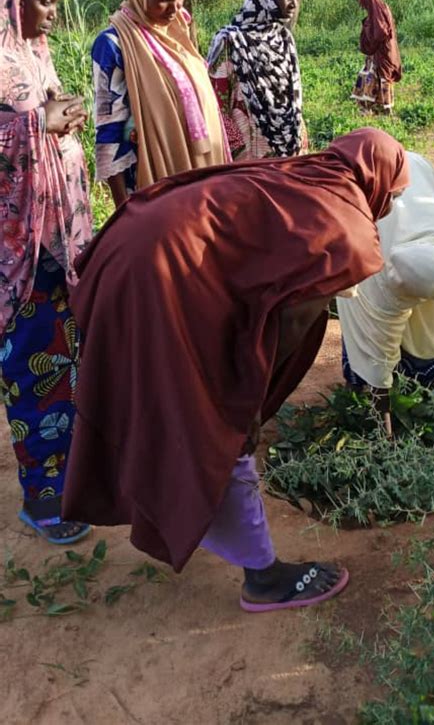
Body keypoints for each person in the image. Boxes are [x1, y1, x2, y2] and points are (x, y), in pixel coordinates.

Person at [63, 127, 409, 612]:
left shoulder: (312, 173)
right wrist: (244, 405)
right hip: (160, 272)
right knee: (213, 414)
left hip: (131, 242)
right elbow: (283, 327)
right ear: (379, 180)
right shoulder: (348, 229)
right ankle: (263, 578)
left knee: (154, 390)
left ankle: (183, 506)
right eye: (393, 196)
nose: (391, 207)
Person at [0, 0, 93, 544]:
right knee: (34, 373)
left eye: (57, 1)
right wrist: (40, 125)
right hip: (20, 255)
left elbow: (45, 117)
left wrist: (63, 115)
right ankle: (42, 500)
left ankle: (72, 481)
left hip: (59, 242)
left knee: (68, 365)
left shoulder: (36, 54)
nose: (51, 12)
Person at [92, 0, 230, 207]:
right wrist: (124, 210)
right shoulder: (115, 44)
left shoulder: (178, 32)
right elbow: (109, 129)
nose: (176, 8)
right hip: (148, 189)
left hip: (198, 176)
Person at [337, 152, 434, 411]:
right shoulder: (376, 281)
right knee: (363, 331)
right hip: (368, 191)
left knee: (431, 324)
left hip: (413, 168)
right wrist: (382, 413)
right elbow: (379, 350)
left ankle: (419, 386)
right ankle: (355, 391)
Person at [207, 0, 307, 161]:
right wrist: (234, 148)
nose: (293, 3)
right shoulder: (230, 41)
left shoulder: (284, 38)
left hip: (287, 145)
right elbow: (217, 103)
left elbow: (292, 93)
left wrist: (298, 138)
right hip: (247, 150)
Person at [351, 0, 402, 115]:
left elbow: (380, 33)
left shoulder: (380, 11)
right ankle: (371, 105)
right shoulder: (381, 9)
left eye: (365, 5)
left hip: (383, 51)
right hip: (380, 51)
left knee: (383, 77)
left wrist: (368, 29)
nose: (365, 8)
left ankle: (385, 108)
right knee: (369, 75)